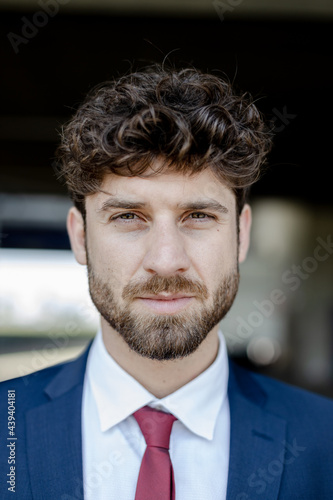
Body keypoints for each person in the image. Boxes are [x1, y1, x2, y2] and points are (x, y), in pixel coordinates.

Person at [0, 65, 332, 500]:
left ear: (241, 235)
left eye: (198, 216)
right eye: (128, 217)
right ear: (80, 237)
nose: (165, 261)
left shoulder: (324, 440)